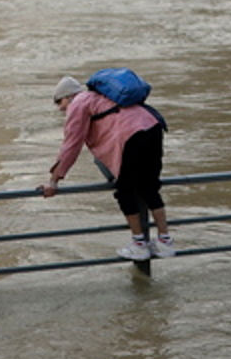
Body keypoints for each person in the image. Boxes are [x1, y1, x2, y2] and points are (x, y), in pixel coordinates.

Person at [40, 76, 174, 260]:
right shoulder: (101, 97)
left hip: (131, 135)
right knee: (148, 187)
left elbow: (72, 144)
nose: (60, 108)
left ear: (69, 96)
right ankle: (165, 241)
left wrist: (53, 181)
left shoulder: (78, 103)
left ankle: (139, 244)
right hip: (153, 126)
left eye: (59, 102)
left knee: (125, 191)